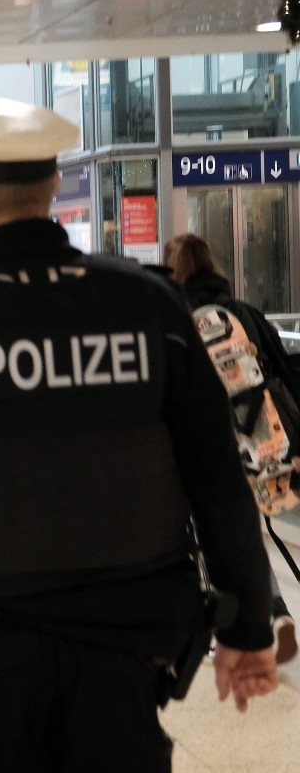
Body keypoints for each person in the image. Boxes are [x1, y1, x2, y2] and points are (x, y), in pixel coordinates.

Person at [0, 92, 278, 772]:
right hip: (128, 667)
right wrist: (248, 626)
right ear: (53, 188)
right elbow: (218, 484)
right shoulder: (151, 305)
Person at [163, 232, 298, 665]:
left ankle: (260, 617)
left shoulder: (177, 321)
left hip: (209, 452)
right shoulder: (244, 313)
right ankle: (273, 615)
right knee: (248, 532)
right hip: (263, 440)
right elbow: (284, 372)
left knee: (214, 536)